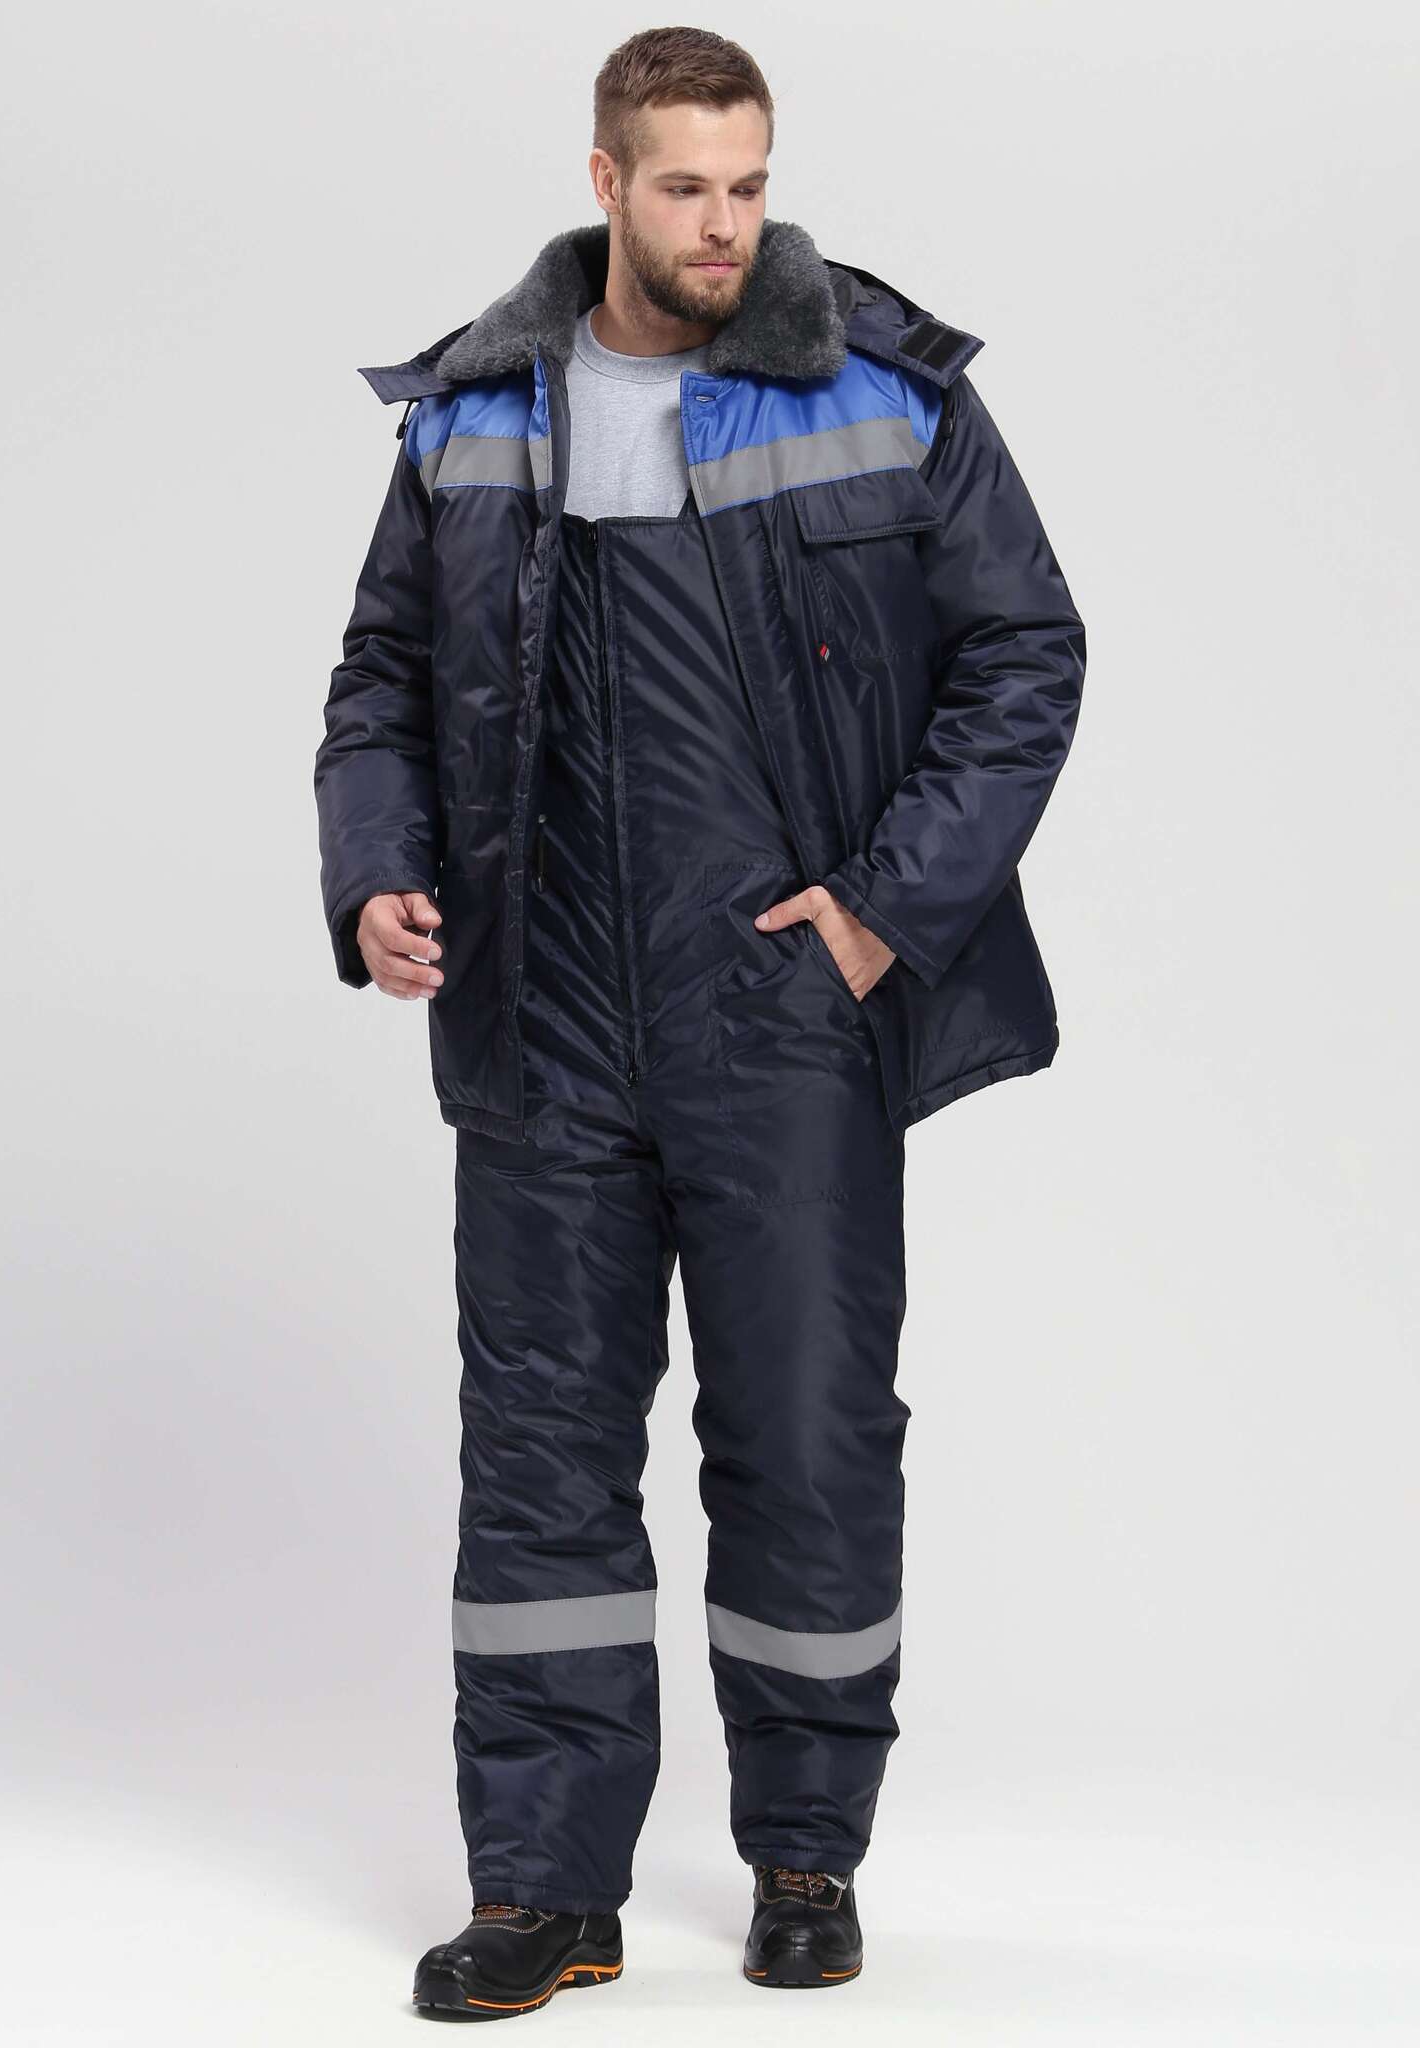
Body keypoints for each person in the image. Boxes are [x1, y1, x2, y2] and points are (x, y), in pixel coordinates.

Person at [313, 25, 1085, 2020]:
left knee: (809, 1444)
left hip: (782, 1023)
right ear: (606, 183)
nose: (726, 223)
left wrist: (880, 916)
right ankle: (544, 1889)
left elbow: (1025, 652)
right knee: (541, 1466)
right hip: (543, 1023)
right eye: (685, 187)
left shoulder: (881, 392)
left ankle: (807, 1860)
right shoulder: (478, 415)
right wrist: (378, 872)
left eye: (749, 183)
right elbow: (383, 676)